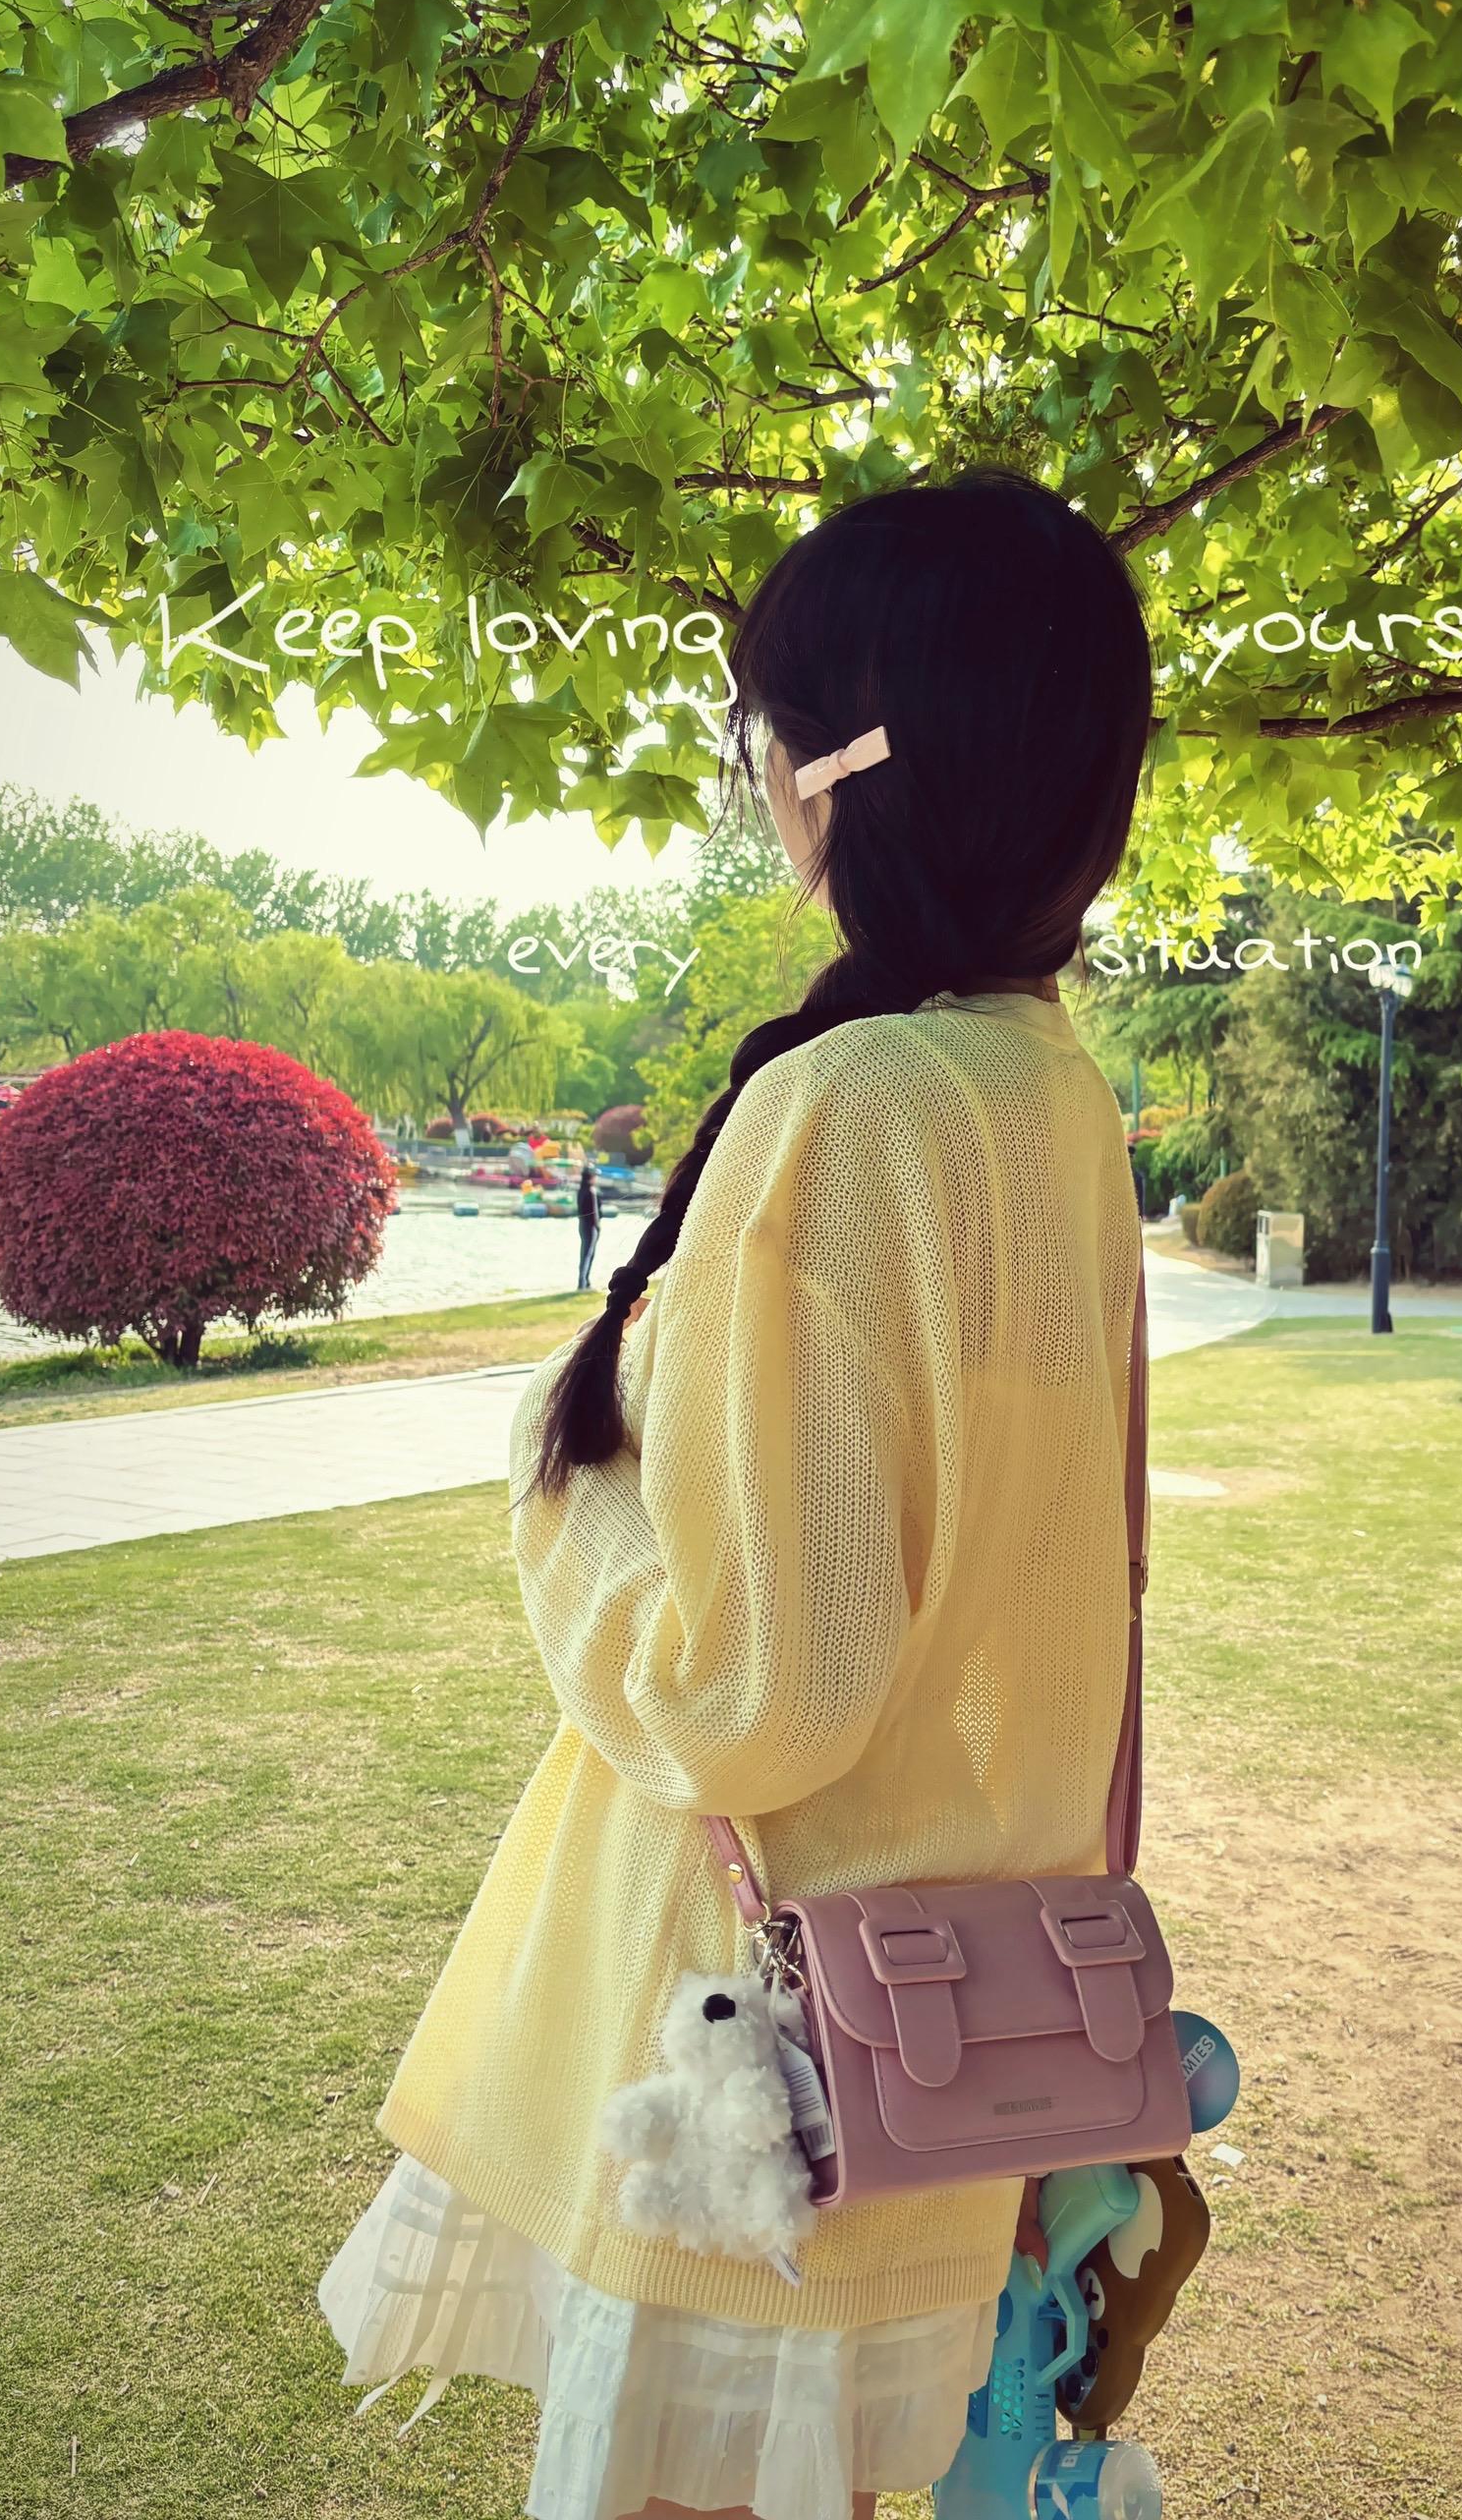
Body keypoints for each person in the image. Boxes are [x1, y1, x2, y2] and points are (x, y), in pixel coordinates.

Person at [318, 469, 1154, 2520]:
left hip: (748, 2073)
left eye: (756, 736)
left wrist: (562, 1506)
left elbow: (747, 1697)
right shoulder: (1051, 1095)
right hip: (946, 2052)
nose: (757, 781)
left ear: (839, 772)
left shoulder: (849, 1108)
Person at [576, 1153, 602, 1292]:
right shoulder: (591, 1191)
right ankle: (583, 1283)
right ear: (590, 1176)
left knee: (584, 1253)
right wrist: (598, 1228)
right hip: (591, 1227)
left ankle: (584, 1281)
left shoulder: (580, 1191)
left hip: (582, 1225)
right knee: (588, 1254)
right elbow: (594, 1213)